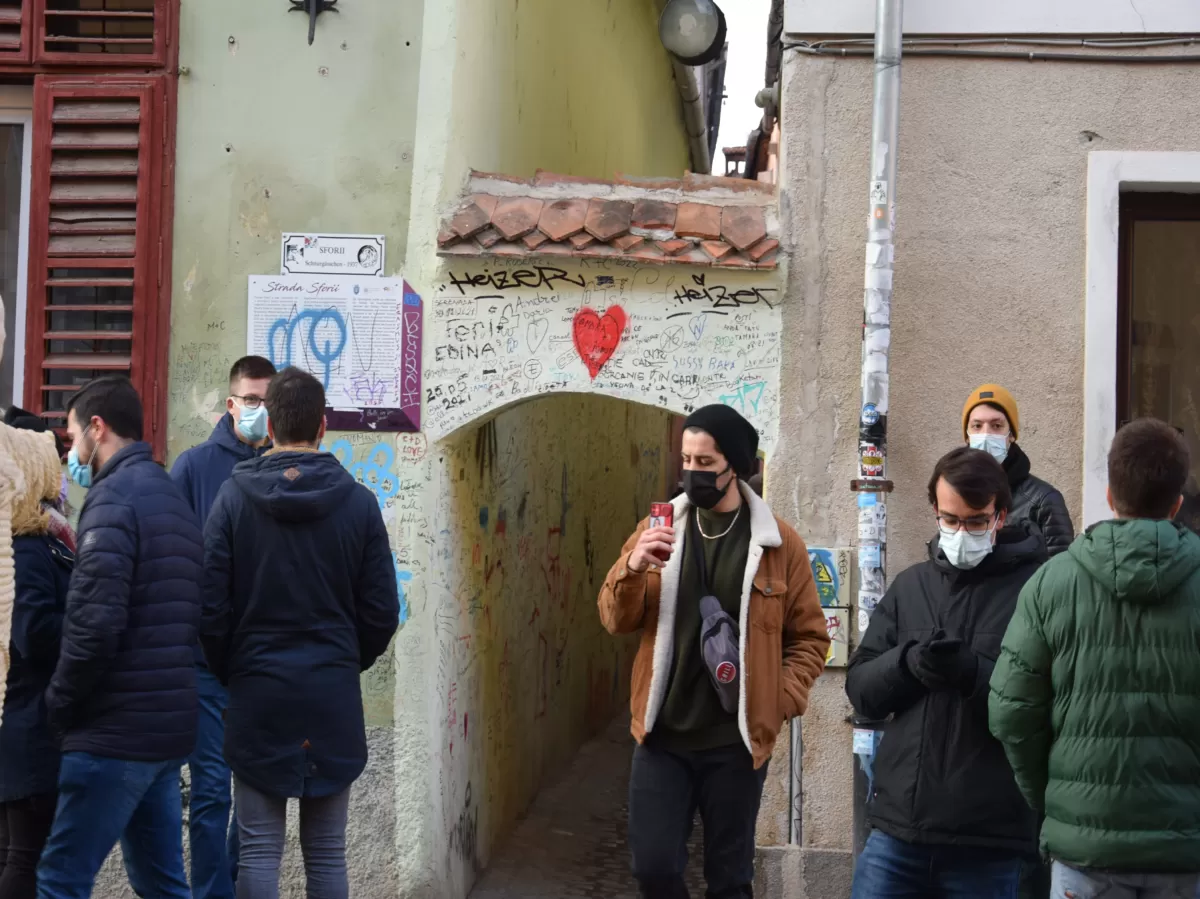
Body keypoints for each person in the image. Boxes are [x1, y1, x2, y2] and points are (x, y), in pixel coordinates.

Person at [598, 404, 829, 899]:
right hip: (663, 736)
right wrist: (633, 566)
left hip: (736, 743)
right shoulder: (659, 527)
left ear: (737, 466)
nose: (692, 473)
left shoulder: (778, 543)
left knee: (729, 880)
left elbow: (810, 638)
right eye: (686, 460)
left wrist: (777, 699)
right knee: (654, 869)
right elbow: (615, 619)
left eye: (705, 463)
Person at [200, 367, 399, 899]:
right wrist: (341, 659)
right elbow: (382, 611)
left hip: (257, 694)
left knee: (260, 849)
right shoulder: (359, 504)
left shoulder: (232, 500)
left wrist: (235, 668)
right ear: (323, 426)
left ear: (268, 428)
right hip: (331, 695)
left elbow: (209, 610)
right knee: (328, 853)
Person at [990, 418, 1200, 899]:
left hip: (1085, 850)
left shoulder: (1051, 582)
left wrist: (1053, 797)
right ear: (1177, 504)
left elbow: (1009, 711)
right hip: (1185, 847)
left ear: (1109, 495)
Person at [846, 446, 1043, 898]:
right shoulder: (911, 585)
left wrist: (974, 674)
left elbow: (1046, 704)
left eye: (976, 520)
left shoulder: (1036, 590)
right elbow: (861, 690)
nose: (961, 531)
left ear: (1001, 516)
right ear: (934, 510)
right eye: (950, 520)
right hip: (899, 831)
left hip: (990, 841)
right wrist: (907, 664)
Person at [36, 376, 203, 899]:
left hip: (114, 730)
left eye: (70, 440)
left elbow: (94, 626)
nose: (71, 454)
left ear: (97, 429)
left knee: (61, 880)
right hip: (165, 729)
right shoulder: (170, 497)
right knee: (162, 884)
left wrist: (58, 704)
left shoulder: (110, 503)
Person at [171, 355, 276, 899]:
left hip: (261, 662)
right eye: (251, 400)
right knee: (211, 792)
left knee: (255, 794)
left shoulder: (285, 468)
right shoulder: (193, 469)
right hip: (204, 664)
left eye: (268, 401)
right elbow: (171, 559)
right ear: (231, 403)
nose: (259, 410)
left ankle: (235, 885)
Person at [0, 423, 72, 899]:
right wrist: (88, 627)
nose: (63, 481)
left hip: (25, 725)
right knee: (26, 858)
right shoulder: (26, 551)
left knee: (13, 854)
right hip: (28, 727)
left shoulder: (35, 543)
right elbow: (31, 635)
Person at [962, 384, 1074, 556]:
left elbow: (1059, 574)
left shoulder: (1044, 501)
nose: (986, 434)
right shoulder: (956, 493)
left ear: (1011, 435)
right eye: (977, 426)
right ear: (967, 436)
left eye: (997, 426)